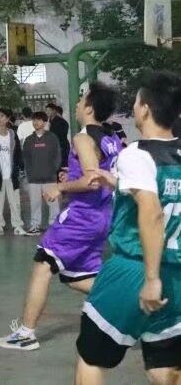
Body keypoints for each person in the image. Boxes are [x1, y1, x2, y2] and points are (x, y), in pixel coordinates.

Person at [0, 82, 121, 351]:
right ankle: (136, 299)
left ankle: (26, 334)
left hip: (82, 218)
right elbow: (101, 172)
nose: (76, 104)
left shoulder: (83, 138)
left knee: (44, 264)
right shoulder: (111, 137)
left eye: (81, 100)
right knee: (76, 276)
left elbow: (92, 181)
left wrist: (60, 187)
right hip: (102, 216)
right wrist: (71, 174)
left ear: (89, 108)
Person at [74, 70, 181, 384]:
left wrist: (151, 278)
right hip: (176, 274)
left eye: (135, 101)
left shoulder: (137, 153)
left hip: (135, 269)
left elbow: (152, 211)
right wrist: (118, 182)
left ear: (145, 108)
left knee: (91, 358)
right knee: (165, 369)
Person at [0, 108, 28, 236]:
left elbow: (18, 153)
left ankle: (18, 225)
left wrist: (19, 167)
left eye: (2, 116)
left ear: (8, 119)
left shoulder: (12, 134)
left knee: (15, 201)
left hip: (11, 174)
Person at [21, 111, 62, 233]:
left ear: (45, 122)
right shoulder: (29, 140)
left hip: (49, 178)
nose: (36, 122)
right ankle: (35, 225)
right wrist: (29, 173)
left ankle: (54, 225)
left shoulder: (52, 138)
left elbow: (57, 156)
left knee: (53, 203)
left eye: (39, 120)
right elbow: (26, 158)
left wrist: (54, 170)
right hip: (33, 178)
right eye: (34, 120)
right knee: (35, 204)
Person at [46, 103, 70, 168]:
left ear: (54, 110)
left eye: (49, 110)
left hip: (61, 147)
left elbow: (62, 135)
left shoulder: (61, 122)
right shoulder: (49, 122)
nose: (47, 112)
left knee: (61, 167)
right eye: (46, 111)